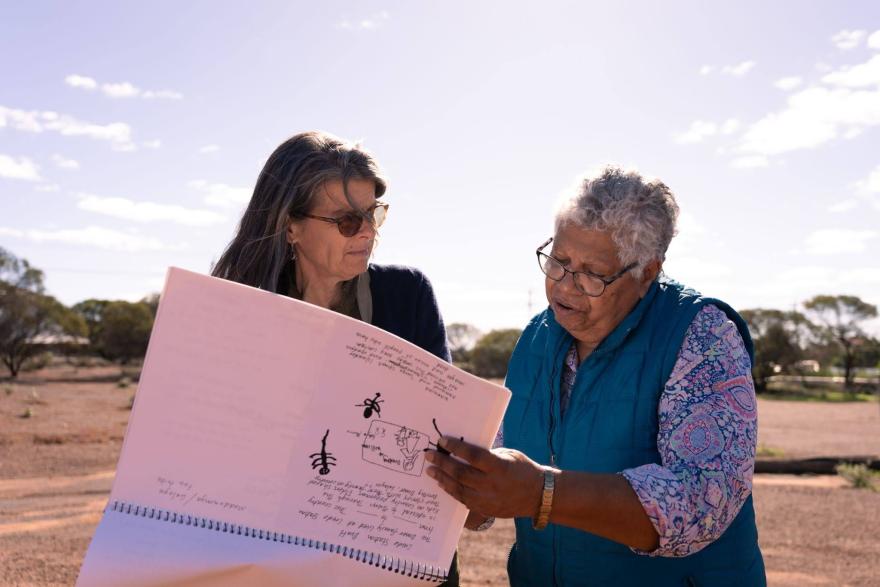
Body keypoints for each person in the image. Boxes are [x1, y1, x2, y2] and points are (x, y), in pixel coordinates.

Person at [425, 165, 765, 586]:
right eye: (559, 261)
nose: (565, 287)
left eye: (592, 274)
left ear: (647, 272)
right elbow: (503, 462)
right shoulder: (537, 337)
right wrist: (466, 485)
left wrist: (539, 494)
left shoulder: (702, 337)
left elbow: (700, 500)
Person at [212, 130, 458, 584]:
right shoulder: (238, 313)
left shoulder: (407, 295)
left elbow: (439, 429)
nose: (367, 232)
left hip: (392, 554)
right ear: (291, 226)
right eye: (347, 221)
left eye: (373, 215)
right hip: (275, 552)